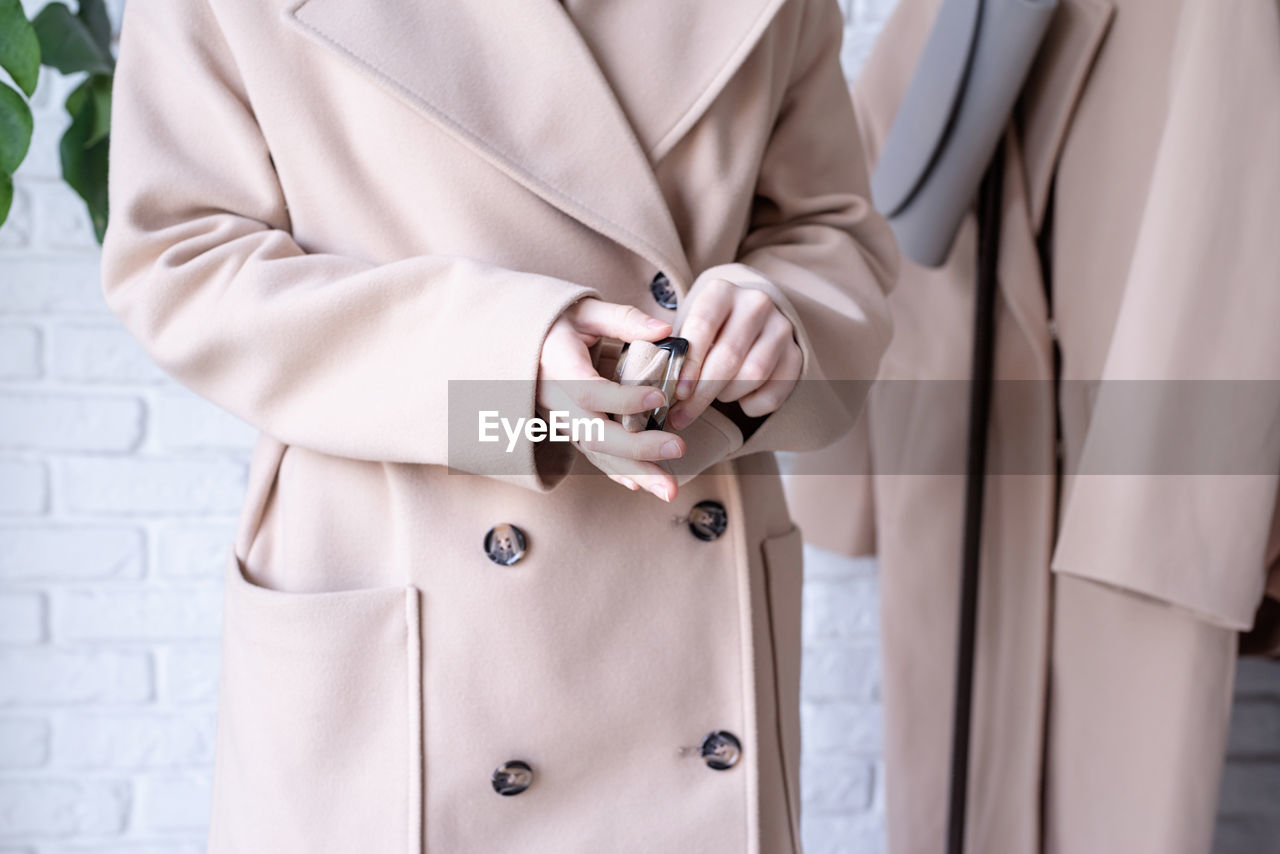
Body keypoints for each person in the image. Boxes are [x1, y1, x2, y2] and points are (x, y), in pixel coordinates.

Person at [99, 0, 897, 851]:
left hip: (682, 541)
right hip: (409, 577)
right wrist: (501, 368)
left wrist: (777, 320)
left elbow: (831, 232)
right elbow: (179, 261)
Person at [785, 0, 1280, 852]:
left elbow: (1235, 229)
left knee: (1121, 786)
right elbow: (877, 164)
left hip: (1143, 465)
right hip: (965, 443)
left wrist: (1194, 528)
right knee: (964, 763)